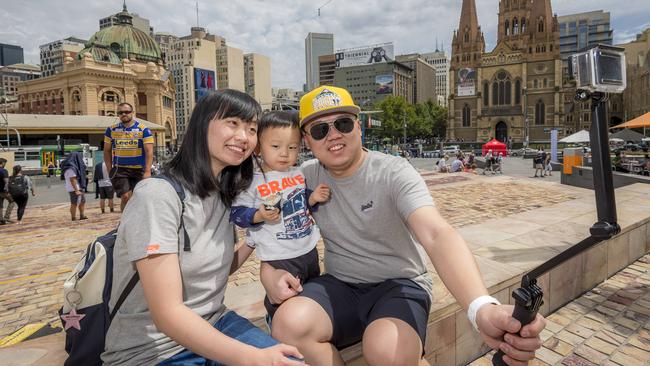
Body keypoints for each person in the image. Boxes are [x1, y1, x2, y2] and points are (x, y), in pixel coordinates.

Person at [261, 86, 545, 366]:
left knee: (388, 352)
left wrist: (480, 307)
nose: (334, 135)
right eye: (320, 130)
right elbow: (266, 223)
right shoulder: (303, 177)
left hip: (398, 284)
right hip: (340, 284)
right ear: (307, 141)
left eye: (343, 123)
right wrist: (267, 274)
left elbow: (436, 233)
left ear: (358, 128)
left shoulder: (393, 171)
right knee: (288, 325)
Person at [101, 90, 304, 366]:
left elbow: (216, 267)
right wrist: (255, 358)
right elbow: (167, 315)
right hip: (151, 351)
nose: (244, 137)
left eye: (252, 129)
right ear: (201, 125)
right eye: (233, 123)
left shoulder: (223, 195)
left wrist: (256, 242)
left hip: (215, 321)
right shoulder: (157, 196)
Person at [230, 110, 330, 320]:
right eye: (276, 146)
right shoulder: (254, 181)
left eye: (292, 147)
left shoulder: (297, 173)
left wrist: (312, 198)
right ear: (258, 147)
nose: (285, 153)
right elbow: (237, 214)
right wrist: (259, 215)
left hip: (308, 249)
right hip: (278, 256)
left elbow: (300, 200)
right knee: (285, 299)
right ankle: (275, 321)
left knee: (311, 295)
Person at [104, 102, 154, 211]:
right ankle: (125, 223)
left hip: (139, 169)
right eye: (120, 112)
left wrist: (147, 171)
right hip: (120, 169)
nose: (124, 114)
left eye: (126, 112)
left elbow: (149, 152)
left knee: (140, 198)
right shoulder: (111, 130)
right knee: (125, 197)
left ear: (132, 113)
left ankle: (139, 222)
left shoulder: (143, 130)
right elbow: (107, 151)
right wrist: (109, 169)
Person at [60, 152, 88, 221]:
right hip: (74, 188)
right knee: (74, 203)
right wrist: (76, 190)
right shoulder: (70, 168)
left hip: (77, 187)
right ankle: (73, 217)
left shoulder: (71, 166)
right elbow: (72, 179)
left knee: (82, 201)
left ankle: (82, 215)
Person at [0, 158, 15, 224]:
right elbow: (6, 182)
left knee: (0, 205)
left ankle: (1, 219)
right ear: (2, 163)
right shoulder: (4, 171)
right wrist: (7, 191)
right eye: (5, 163)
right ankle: (6, 217)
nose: (5, 164)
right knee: (12, 201)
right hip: (3, 191)